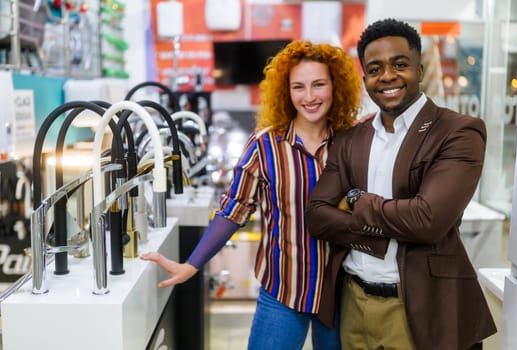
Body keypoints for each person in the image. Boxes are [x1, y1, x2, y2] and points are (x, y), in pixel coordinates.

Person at [140, 40, 362, 349]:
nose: (309, 97)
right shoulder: (265, 145)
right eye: (298, 87)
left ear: (335, 86)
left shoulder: (354, 141)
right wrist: (191, 265)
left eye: (319, 85)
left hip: (342, 293)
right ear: (286, 91)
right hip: (284, 291)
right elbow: (234, 210)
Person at [305, 18, 497, 350]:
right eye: (375, 68)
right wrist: (384, 234)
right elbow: (317, 214)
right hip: (353, 303)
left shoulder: (457, 132)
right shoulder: (352, 139)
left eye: (400, 64)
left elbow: (428, 220)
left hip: (418, 306)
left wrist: (357, 200)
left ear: (419, 70)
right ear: (365, 78)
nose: (388, 76)